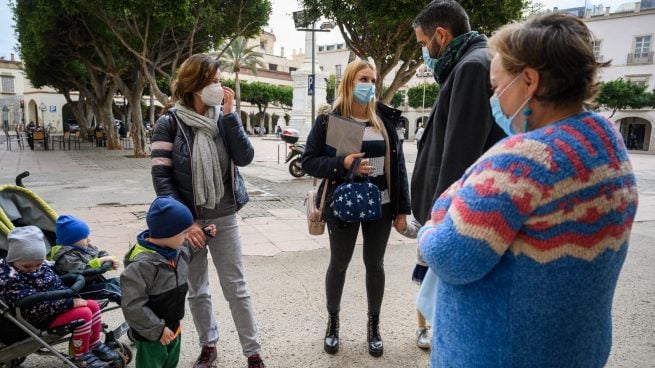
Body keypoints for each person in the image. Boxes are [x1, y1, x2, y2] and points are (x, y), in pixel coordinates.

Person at [417, 12, 638, 367]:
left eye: (496, 86)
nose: (495, 99)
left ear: (529, 81)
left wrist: (430, 227)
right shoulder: (605, 141)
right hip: (577, 349)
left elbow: (450, 255)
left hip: (505, 354)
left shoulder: (523, 160)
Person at [150, 53, 264, 368]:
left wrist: (230, 116)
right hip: (190, 221)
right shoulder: (168, 123)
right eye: (213, 81)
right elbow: (162, 178)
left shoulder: (223, 119)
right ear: (195, 84)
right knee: (196, 289)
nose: (219, 85)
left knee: (236, 287)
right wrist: (186, 224)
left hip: (224, 215)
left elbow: (244, 158)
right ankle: (208, 346)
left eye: (220, 80)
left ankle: (253, 352)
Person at [301, 59, 411, 357]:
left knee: (375, 265)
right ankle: (333, 323)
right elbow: (308, 160)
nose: (370, 85)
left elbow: (398, 167)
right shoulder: (331, 120)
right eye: (364, 79)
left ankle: (373, 326)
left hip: (382, 205)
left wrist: (403, 210)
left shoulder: (384, 120)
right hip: (343, 205)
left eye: (373, 80)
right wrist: (342, 163)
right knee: (339, 263)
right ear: (350, 82)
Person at [411, 0, 505, 225]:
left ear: (441, 35)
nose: (423, 50)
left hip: (453, 219)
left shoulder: (471, 67)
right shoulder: (472, 61)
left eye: (423, 42)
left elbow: (460, 154)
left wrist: (439, 222)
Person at [0, 226, 120, 368]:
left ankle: (93, 344)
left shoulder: (42, 267)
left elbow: (55, 284)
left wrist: (68, 297)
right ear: (13, 260)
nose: (33, 270)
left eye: (37, 265)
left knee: (92, 305)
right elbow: (32, 305)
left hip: (53, 306)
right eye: (27, 267)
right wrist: (68, 303)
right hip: (34, 317)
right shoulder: (10, 278)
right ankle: (80, 354)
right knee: (83, 313)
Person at [121, 196, 208, 368]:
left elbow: (189, 250)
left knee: (170, 362)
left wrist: (206, 235)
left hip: (174, 325)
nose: (186, 238)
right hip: (151, 334)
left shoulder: (175, 249)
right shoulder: (141, 265)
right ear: (167, 233)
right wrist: (157, 330)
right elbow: (132, 305)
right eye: (184, 233)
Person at [48, 214, 122, 304]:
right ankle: (134, 312)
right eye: (85, 237)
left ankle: (139, 304)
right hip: (78, 290)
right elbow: (83, 272)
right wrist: (101, 261)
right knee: (111, 289)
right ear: (72, 240)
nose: (89, 240)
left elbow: (98, 253)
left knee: (121, 282)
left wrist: (108, 259)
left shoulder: (83, 246)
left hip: (92, 283)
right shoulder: (65, 258)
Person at [396, 216, 431, 349]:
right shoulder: (425, 206)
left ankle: (443, 330)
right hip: (426, 261)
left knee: (445, 298)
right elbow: (416, 230)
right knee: (424, 294)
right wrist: (403, 228)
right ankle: (422, 329)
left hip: (447, 263)